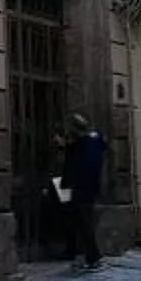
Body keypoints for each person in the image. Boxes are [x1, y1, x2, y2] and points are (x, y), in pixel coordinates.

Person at [53, 115, 109, 272]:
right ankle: (78, 254)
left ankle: (93, 258)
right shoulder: (95, 141)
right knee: (79, 221)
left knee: (83, 223)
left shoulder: (80, 146)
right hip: (91, 188)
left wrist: (65, 184)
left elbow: (73, 167)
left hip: (79, 189)